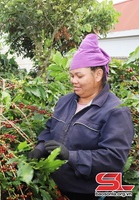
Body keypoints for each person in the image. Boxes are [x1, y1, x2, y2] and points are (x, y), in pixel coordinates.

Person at [28, 33, 135, 199]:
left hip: (90, 195)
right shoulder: (65, 101)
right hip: (58, 191)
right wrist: (41, 147)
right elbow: (50, 129)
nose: (73, 81)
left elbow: (113, 159)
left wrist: (71, 156)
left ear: (98, 75)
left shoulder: (115, 111)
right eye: (72, 76)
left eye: (79, 76)